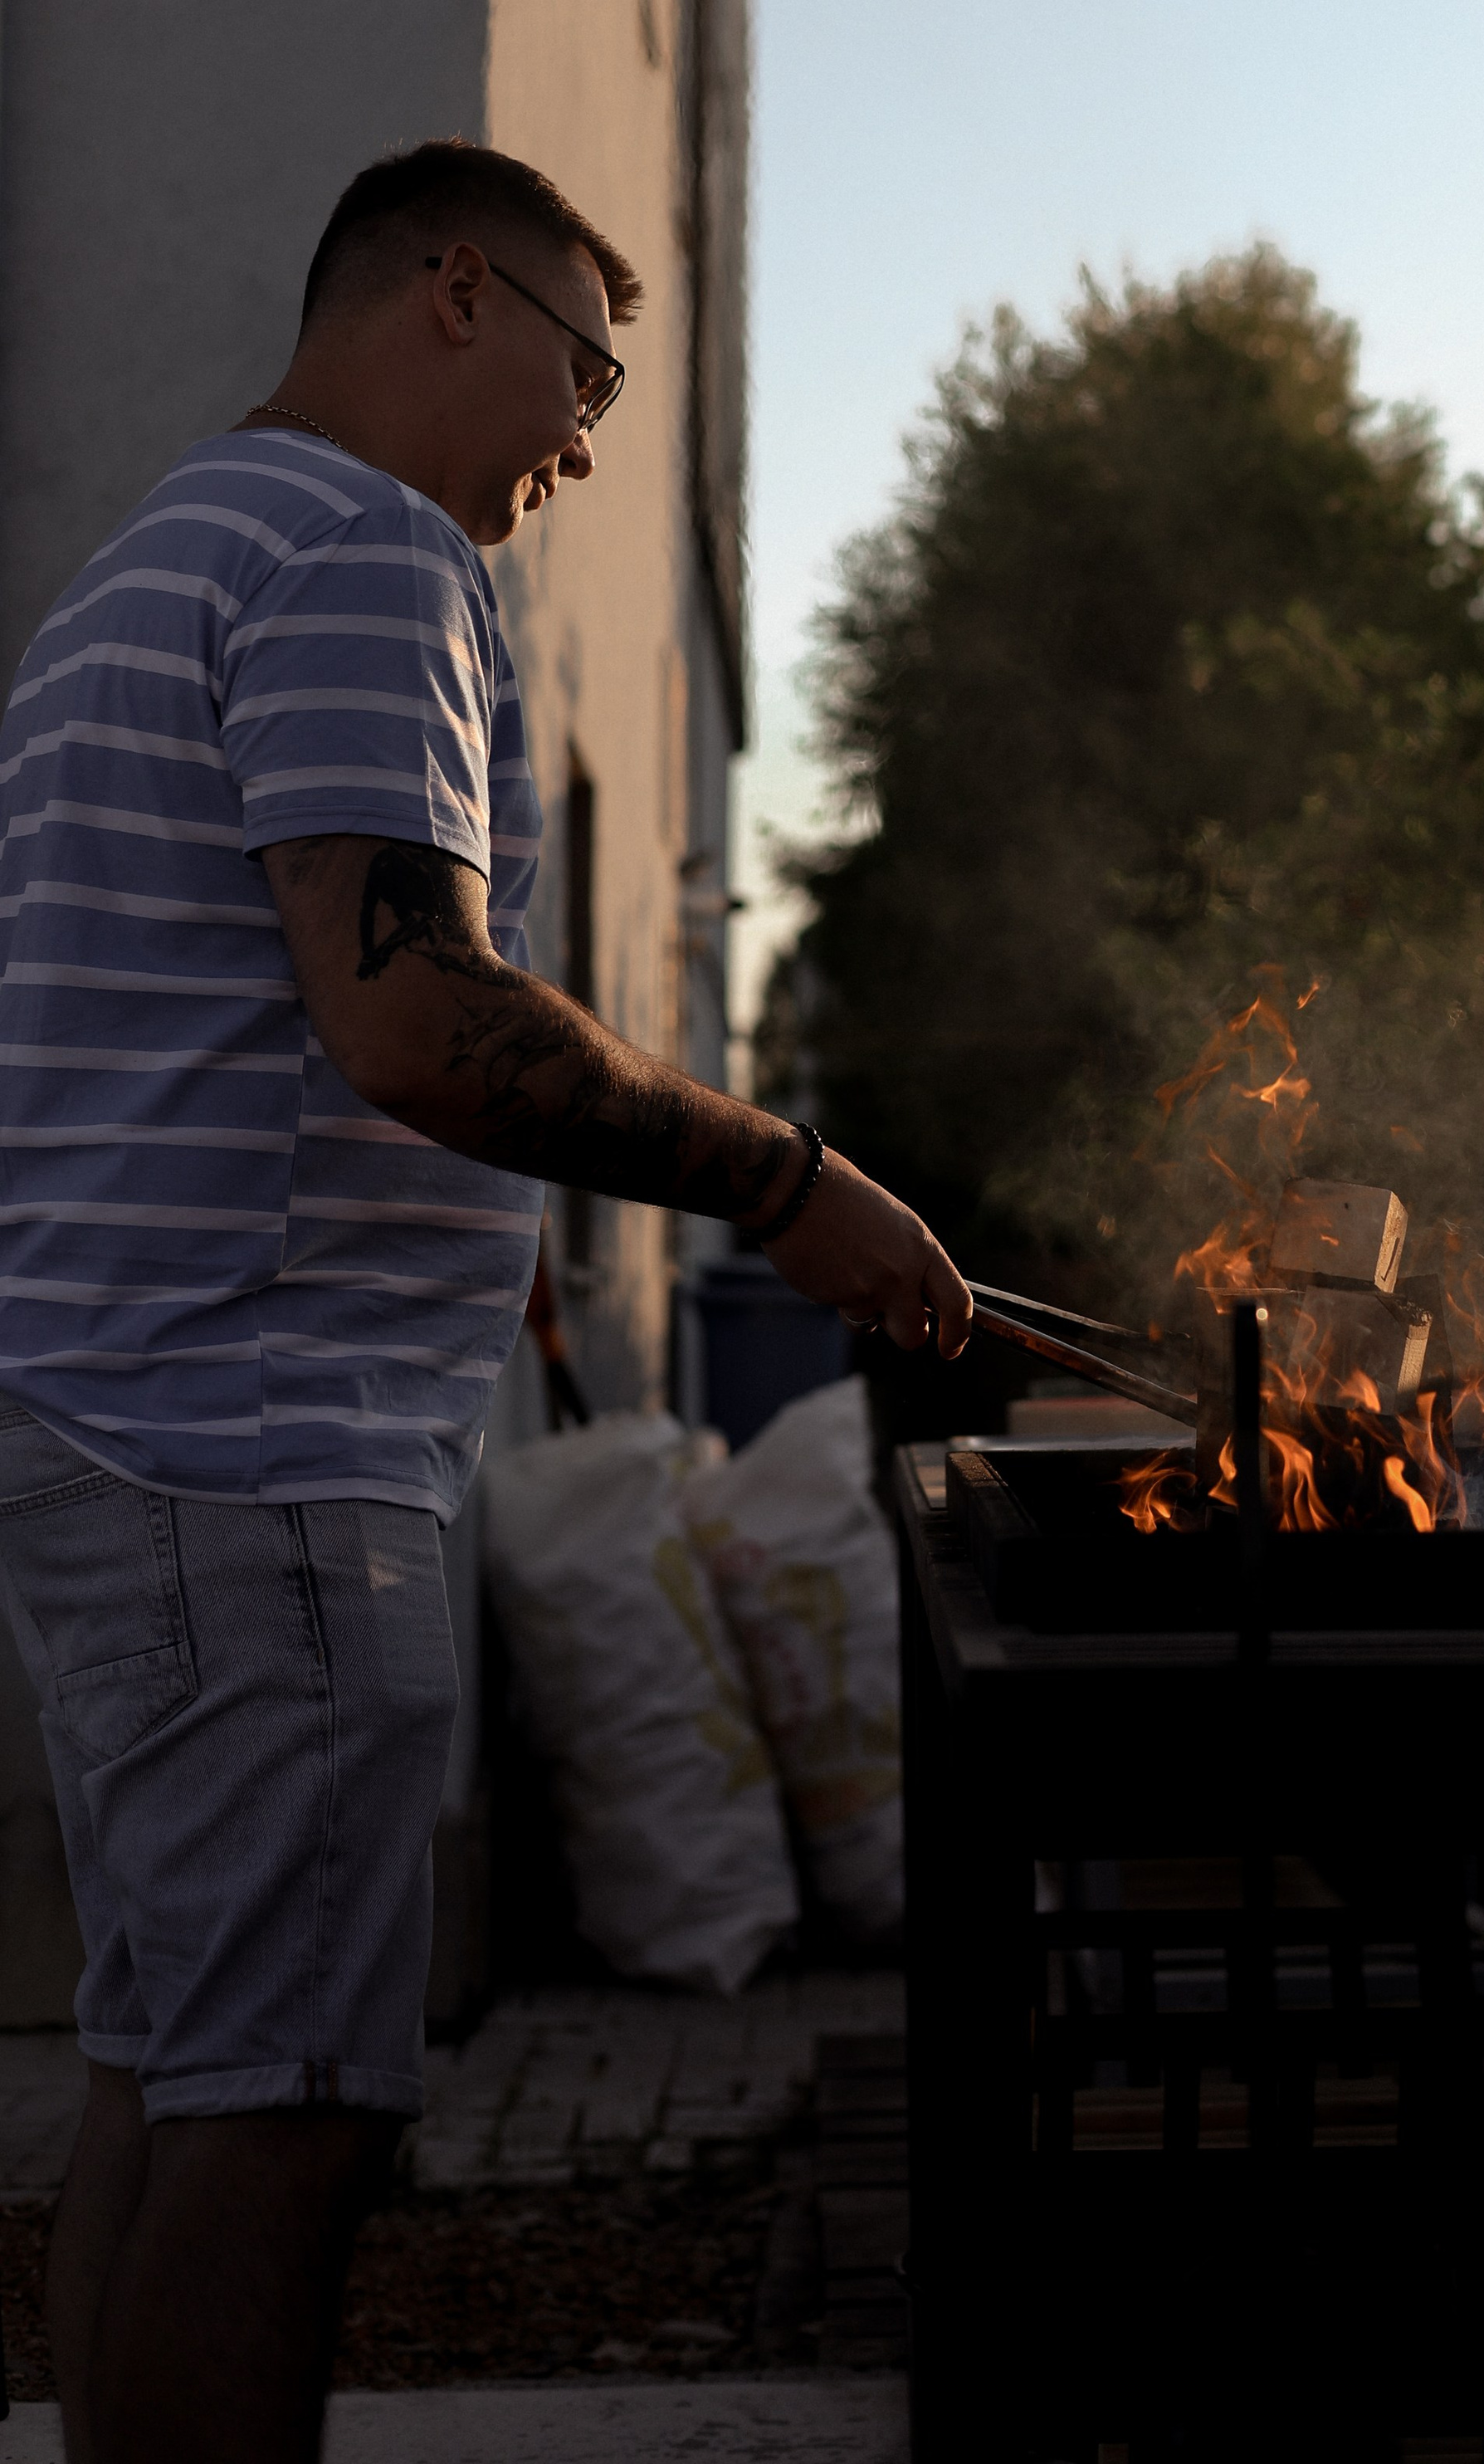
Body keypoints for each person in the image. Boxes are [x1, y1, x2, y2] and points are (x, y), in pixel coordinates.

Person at [0, 139, 971, 2464]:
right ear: (458, 290)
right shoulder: (362, 547)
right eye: (588, 370)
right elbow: (418, 1013)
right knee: (283, 2118)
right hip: (260, 1457)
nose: (589, 442)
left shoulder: (144, 564)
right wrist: (788, 1179)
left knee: (169, 2077)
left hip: (122, 1431)